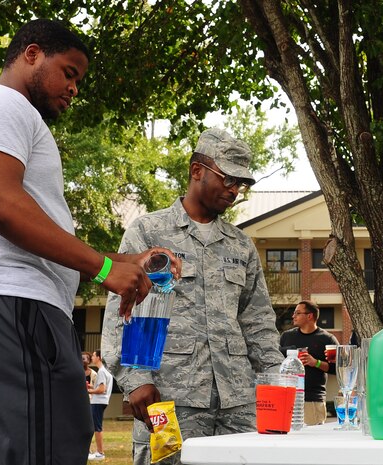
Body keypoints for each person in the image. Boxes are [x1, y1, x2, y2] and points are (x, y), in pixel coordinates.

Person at [0, 19, 179, 465]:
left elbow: (42, 238)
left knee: (55, 442)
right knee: (34, 450)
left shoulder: (21, 119)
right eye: (69, 73)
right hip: (14, 307)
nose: (74, 89)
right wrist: (105, 269)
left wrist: (126, 261)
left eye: (79, 81)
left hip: (29, 311)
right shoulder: (3, 103)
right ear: (31, 54)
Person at [102, 128, 284, 465]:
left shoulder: (240, 244)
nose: (234, 190)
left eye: (240, 183)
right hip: (168, 398)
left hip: (238, 403)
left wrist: (277, 379)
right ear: (196, 170)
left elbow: (258, 323)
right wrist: (135, 380)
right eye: (227, 178)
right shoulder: (147, 231)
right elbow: (120, 315)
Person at [280, 300, 339, 425]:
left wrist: (316, 363)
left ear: (309, 316)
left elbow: (337, 369)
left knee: (312, 441)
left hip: (312, 401)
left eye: (297, 313)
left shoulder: (327, 339)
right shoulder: (286, 336)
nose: (293, 316)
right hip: (287, 399)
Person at [88, 350, 113, 461]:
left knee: (97, 428)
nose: (92, 357)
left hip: (98, 402)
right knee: (96, 427)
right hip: (101, 401)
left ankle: (100, 453)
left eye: (93, 355)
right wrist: (90, 388)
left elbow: (102, 390)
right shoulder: (105, 371)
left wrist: (88, 392)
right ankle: (98, 452)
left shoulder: (101, 372)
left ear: (99, 357)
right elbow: (101, 388)